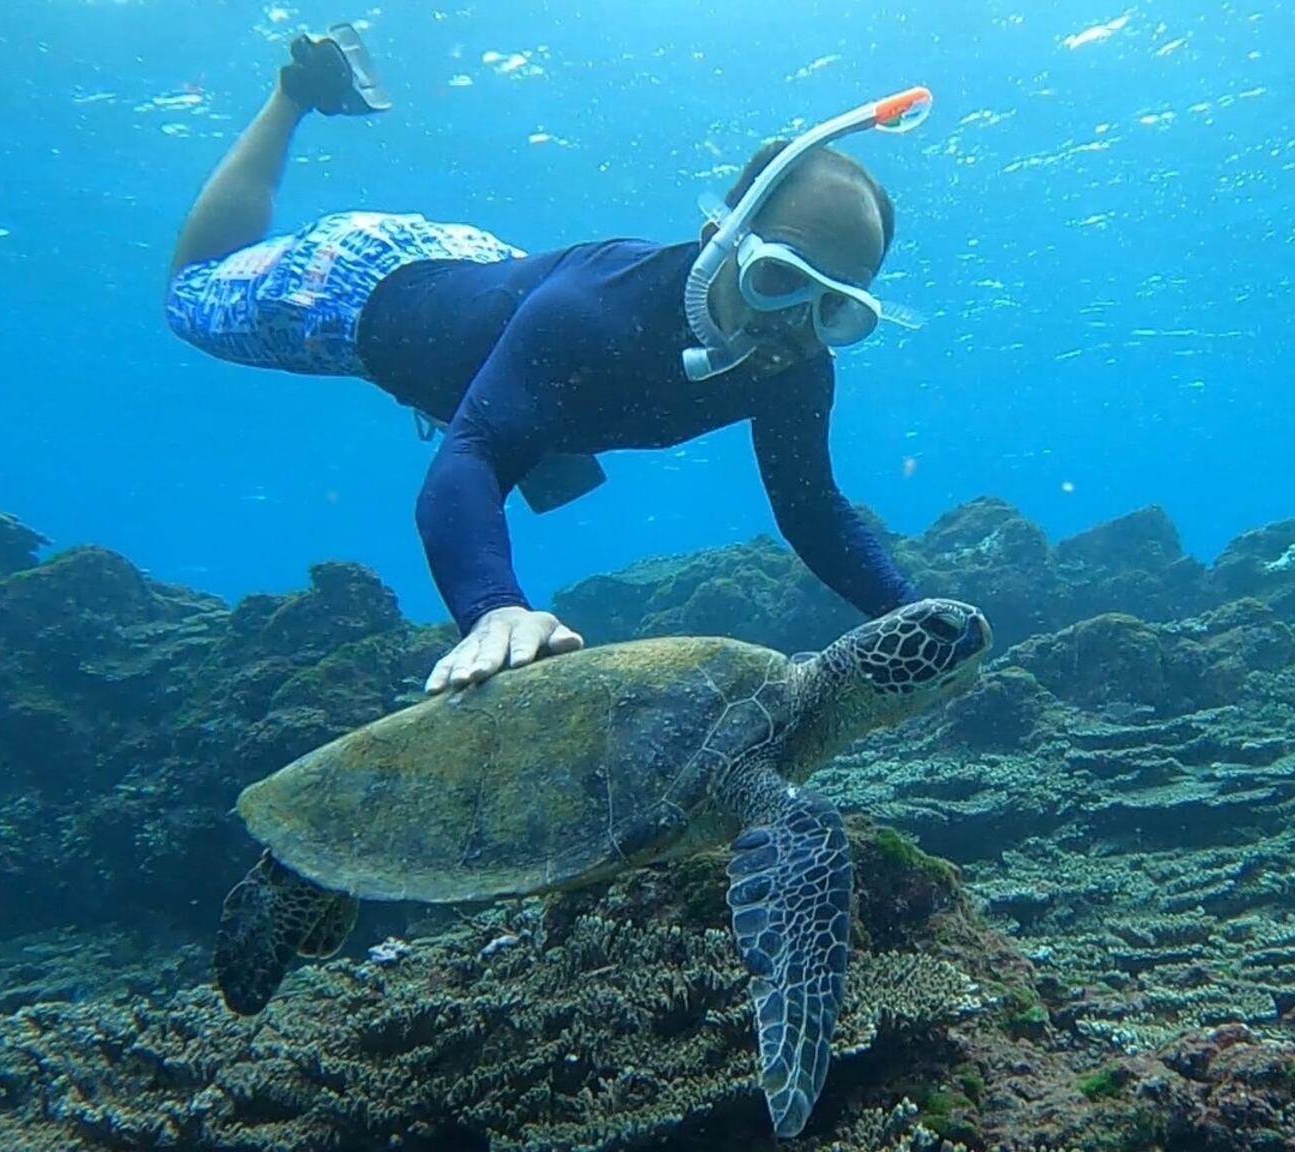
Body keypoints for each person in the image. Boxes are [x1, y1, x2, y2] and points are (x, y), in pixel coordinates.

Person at [163, 24, 935, 694]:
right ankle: (295, 94)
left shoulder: (795, 366)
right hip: (354, 289)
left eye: (836, 309)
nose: (794, 325)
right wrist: (493, 607)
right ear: (720, 241)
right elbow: (471, 459)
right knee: (188, 293)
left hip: (497, 286)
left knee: (535, 421)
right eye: (778, 280)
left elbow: (811, 508)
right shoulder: (591, 318)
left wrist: (916, 620)